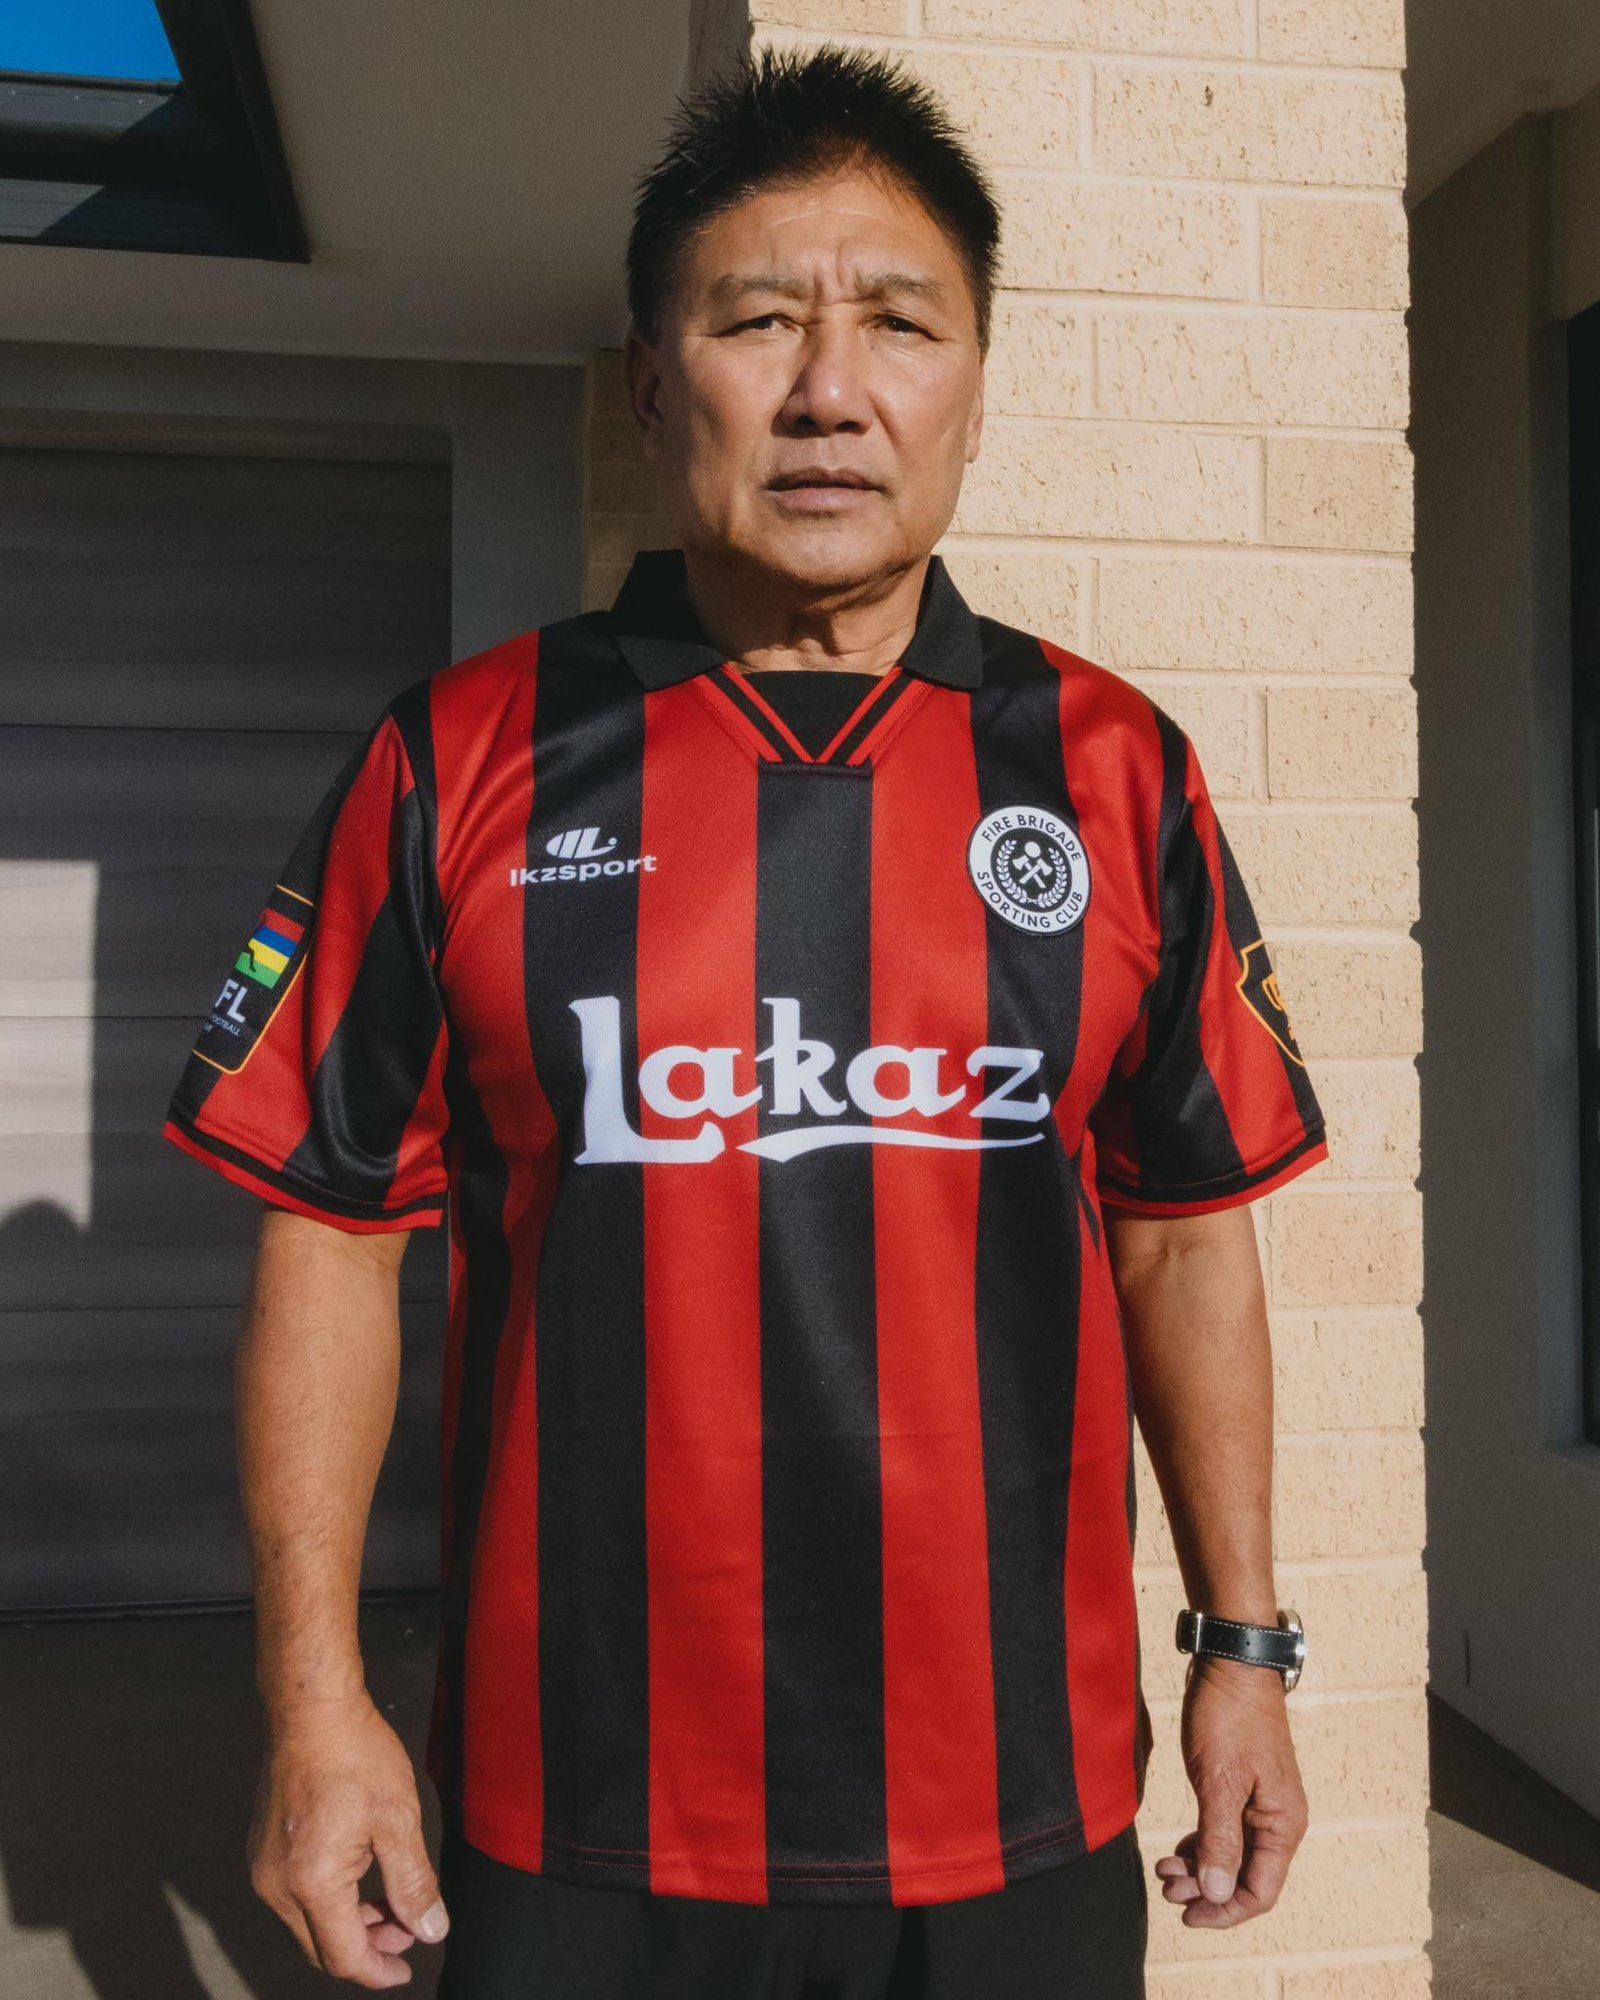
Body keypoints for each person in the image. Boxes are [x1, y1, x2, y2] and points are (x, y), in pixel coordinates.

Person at [162, 42, 1327, 2000]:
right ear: (651, 385)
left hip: (1017, 1794)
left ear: (973, 390)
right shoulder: (458, 760)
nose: (827, 390)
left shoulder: (1114, 771)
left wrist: (1245, 1646)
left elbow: (1182, 1233)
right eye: (757, 319)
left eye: (899, 324)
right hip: (577, 1798)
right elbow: (329, 1235)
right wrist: (315, 1700)